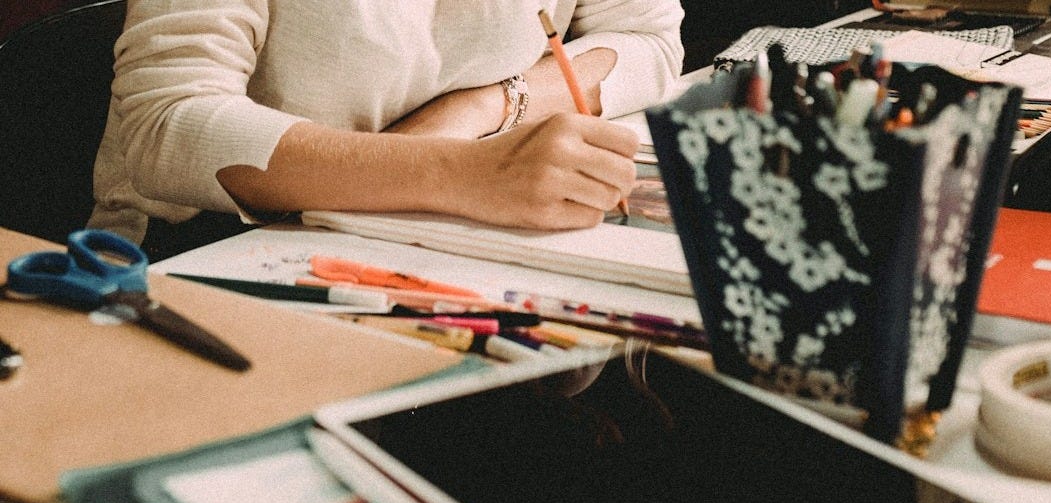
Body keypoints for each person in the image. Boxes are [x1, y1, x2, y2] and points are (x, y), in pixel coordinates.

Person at [89, 1, 685, 261]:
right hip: (208, 251)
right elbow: (166, 124)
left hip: (426, 237)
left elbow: (650, 39)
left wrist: (482, 108)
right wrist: (459, 172)